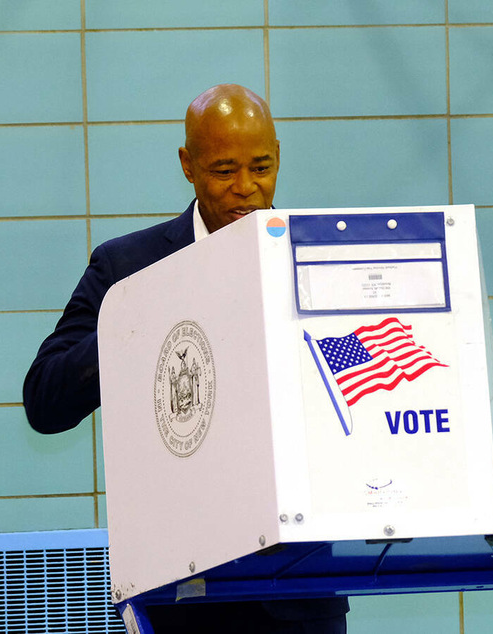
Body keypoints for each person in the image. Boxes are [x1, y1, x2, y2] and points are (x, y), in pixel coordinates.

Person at [23, 84, 349, 633]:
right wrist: (143, 324)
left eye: (261, 167)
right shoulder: (129, 267)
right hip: (182, 597)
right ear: (188, 166)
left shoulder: (319, 260)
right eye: (224, 171)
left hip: (301, 597)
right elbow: (45, 401)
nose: (246, 189)